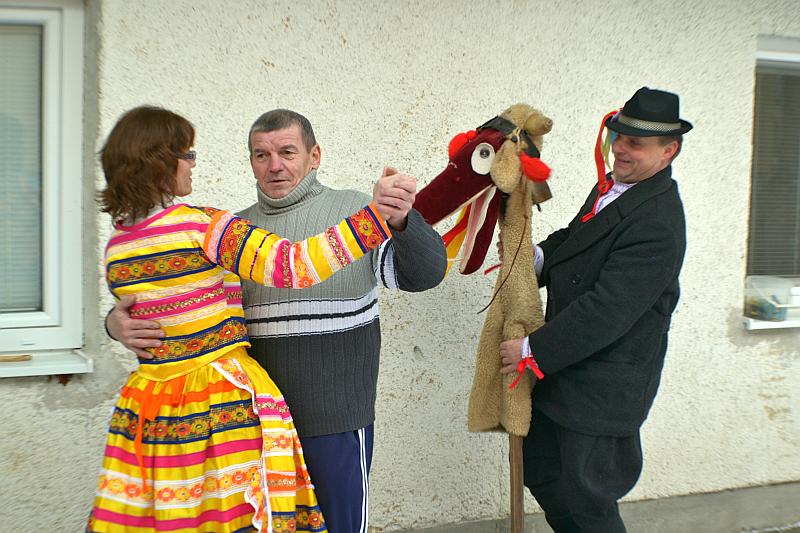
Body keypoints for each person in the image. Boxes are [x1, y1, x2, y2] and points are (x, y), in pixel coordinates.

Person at [106, 109, 448, 532]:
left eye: (287, 152)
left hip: (330, 420)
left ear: (314, 155)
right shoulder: (220, 228)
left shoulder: (352, 208)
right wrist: (114, 323)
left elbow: (425, 273)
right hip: (251, 423)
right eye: (261, 155)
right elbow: (282, 269)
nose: (275, 166)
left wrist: (395, 218)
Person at [498, 87, 691, 533]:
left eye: (635, 143)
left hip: (603, 388)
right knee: (542, 472)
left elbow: (607, 310)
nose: (620, 148)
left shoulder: (659, 221)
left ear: (668, 151)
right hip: (566, 374)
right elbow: (575, 239)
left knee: (589, 501)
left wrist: (531, 349)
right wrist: (531, 260)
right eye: (618, 136)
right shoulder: (614, 187)